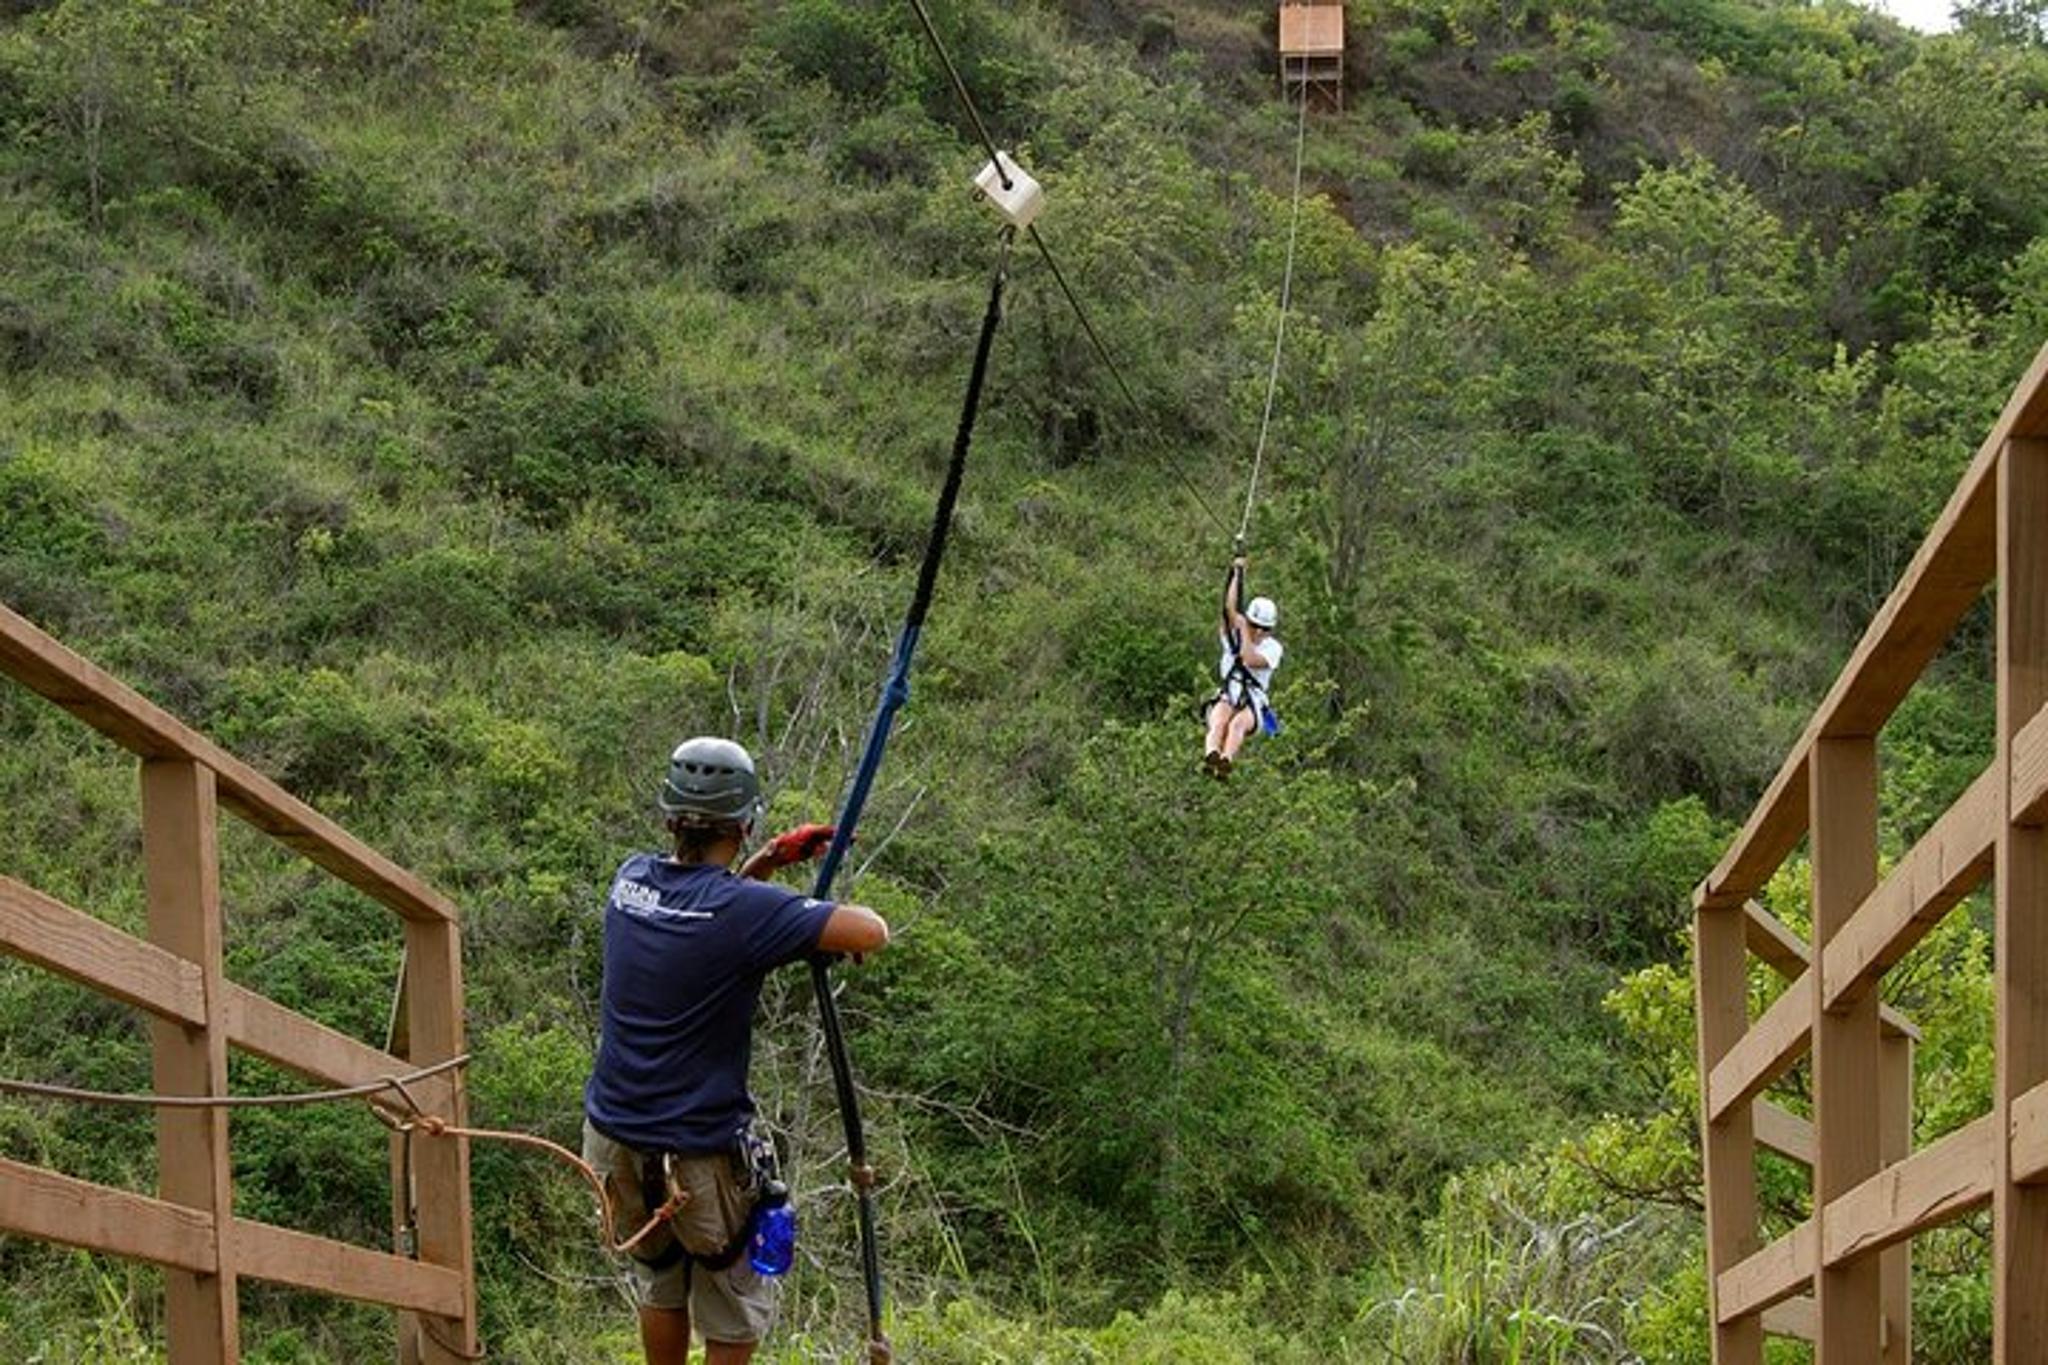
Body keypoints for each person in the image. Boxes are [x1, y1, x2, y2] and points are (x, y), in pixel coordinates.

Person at [583, 736, 889, 1365]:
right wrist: (798, 903)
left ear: (670, 817)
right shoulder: (743, 913)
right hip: (696, 1154)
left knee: (660, 1278)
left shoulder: (629, 882)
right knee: (733, 1304)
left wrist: (772, 864)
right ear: (744, 821)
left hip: (614, 1139)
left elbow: (712, 910)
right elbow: (870, 930)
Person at [1202, 548, 1283, 780]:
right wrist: (1236, 574)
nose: (1258, 631)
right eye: (1254, 625)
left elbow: (1249, 659)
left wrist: (1244, 630)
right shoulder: (1232, 638)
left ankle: (1227, 758)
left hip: (1252, 703)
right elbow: (1228, 610)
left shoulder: (1272, 649)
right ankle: (1212, 754)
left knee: (1236, 725)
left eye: (1264, 628)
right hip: (1229, 694)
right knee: (1218, 722)